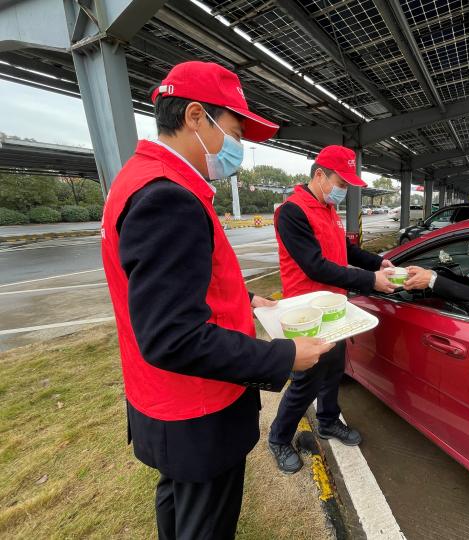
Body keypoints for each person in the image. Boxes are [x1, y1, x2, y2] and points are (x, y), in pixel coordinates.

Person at [101, 61, 333, 540]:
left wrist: (245, 299)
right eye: (232, 130)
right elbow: (173, 336)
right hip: (196, 409)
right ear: (193, 117)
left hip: (164, 404)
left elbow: (171, 285)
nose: (237, 146)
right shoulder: (169, 198)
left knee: (180, 504)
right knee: (206, 523)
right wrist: (284, 354)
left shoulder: (140, 178)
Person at [268, 145, 396, 473]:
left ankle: (327, 421)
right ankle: (279, 437)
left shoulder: (327, 209)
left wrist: (379, 262)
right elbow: (315, 267)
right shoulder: (292, 212)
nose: (344, 191)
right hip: (306, 313)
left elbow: (346, 252)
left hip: (335, 309)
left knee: (334, 370)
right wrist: (371, 280)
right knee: (306, 381)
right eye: (341, 183)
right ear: (320, 175)